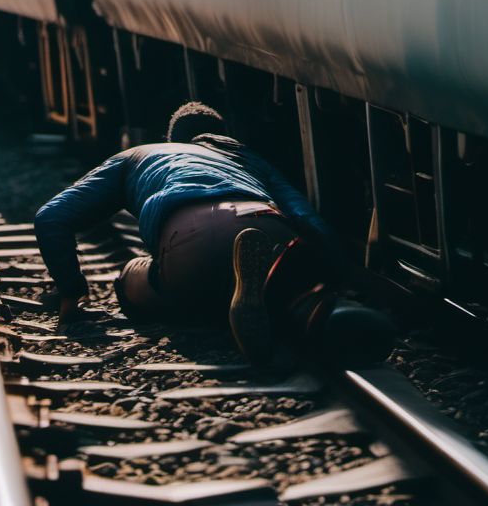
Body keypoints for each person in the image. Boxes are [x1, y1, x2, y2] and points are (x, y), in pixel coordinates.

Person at [35, 102, 394, 365]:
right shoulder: (247, 158)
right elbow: (308, 220)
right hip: (266, 226)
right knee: (292, 295)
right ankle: (297, 309)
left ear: (171, 137)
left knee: (132, 279)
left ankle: (221, 301)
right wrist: (344, 278)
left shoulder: (139, 155)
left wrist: (71, 293)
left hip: (191, 240)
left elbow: (51, 217)